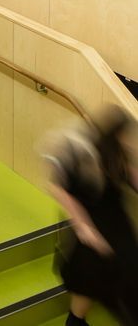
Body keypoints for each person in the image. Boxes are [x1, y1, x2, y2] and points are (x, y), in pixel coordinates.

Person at [44, 106, 138, 326]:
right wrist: (82, 225)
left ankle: (78, 320)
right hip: (92, 223)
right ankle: (75, 321)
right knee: (90, 276)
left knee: (118, 270)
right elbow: (58, 188)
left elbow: (131, 177)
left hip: (113, 221)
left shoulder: (118, 151)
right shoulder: (83, 152)